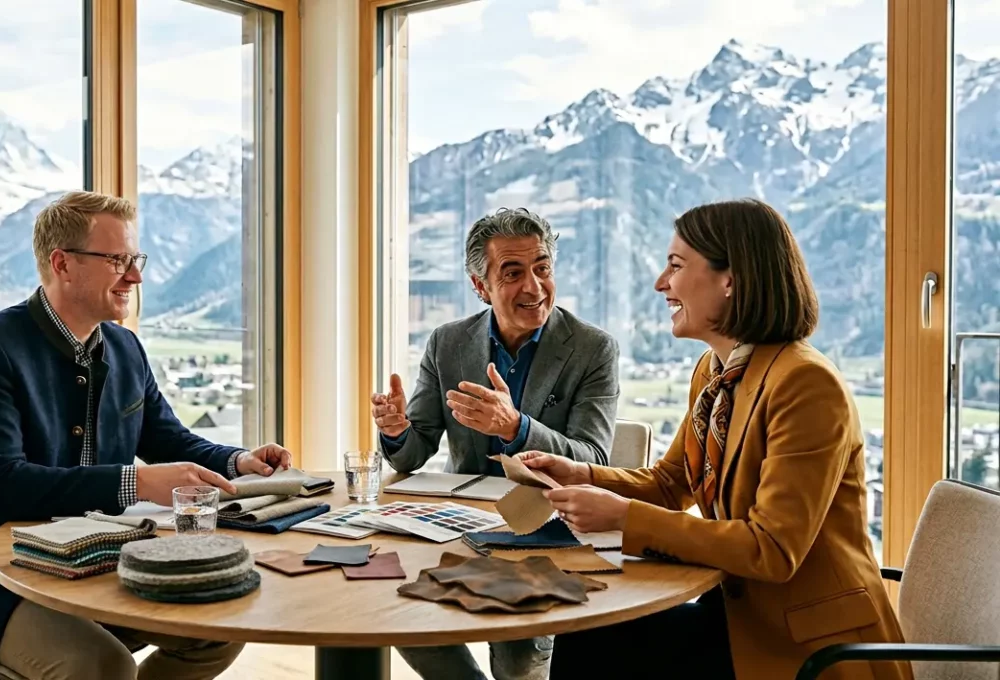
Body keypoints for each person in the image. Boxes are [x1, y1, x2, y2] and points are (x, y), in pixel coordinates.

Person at [0, 191, 293, 680]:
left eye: (134, 259)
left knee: (218, 628)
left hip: (98, 558)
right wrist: (136, 483)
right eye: (117, 261)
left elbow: (168, 439)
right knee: (102, 668)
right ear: (62, 263)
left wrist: (237, 461)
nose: (135, 276)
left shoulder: (126, 348)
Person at [519, 199, 909, 680]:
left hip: (809, 648)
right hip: (739, 617)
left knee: (601, 643)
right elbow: (671, 482)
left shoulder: (807, 385)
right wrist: (583, 474)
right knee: (588, 630)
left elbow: (771, 548)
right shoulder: (715, 372)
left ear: (731, 279)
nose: (662, 283)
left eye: (676, 266)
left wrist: (622, 517)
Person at [372, 207, 620, 680]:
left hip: (542, 529)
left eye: (542, 268)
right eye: (513, 273)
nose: (534, 286)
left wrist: (517, 428)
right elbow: (414, 451)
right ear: (480, 286)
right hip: (457, 527)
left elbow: (595, 459)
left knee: (518, 655)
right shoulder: (447, 342)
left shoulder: (592, 348)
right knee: (394, 607)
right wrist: (395, 429)